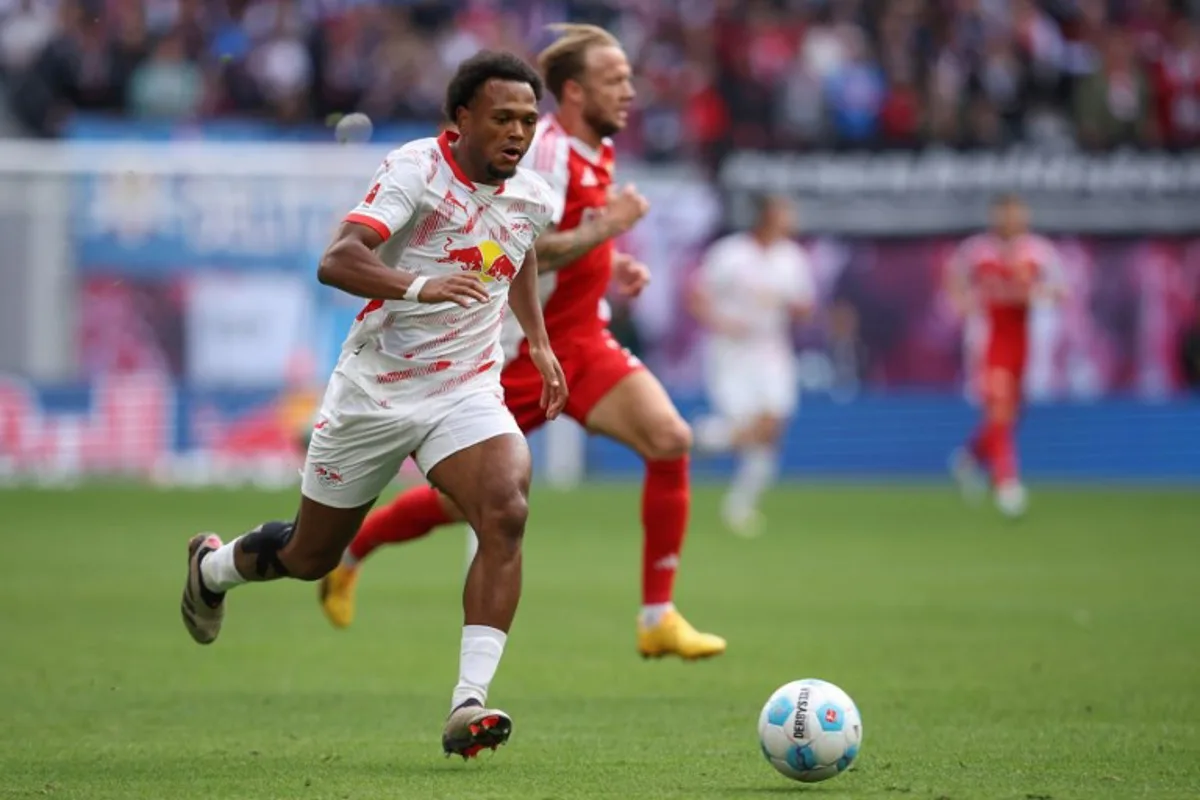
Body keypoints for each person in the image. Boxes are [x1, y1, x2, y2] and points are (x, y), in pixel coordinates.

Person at [179, 51, 568, 760]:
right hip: (376, 391)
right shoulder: (415, 169)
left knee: (506, 509)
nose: (518, 132)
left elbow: (520, 249)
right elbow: (337, 259)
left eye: (528, 120)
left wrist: (538, 342)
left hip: (465, 388)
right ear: (461, 120)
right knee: (310, 556)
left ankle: (467, 705)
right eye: (503, 118)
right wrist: (421, 288)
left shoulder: (533, 197)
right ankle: (213, 568)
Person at [320, 24, 726, 662]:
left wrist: (611, 262)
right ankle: (351, 551)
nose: (630, 91)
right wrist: (608, 231)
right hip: (514, 349)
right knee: (468, 505)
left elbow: (569, 237)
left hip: (580, 341)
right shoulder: (546, 151)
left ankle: (658, 616)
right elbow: (530, 242)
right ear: (573, 91)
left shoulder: (596, 151)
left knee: (670, 439)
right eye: (614, 80)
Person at [688, 194, 816, 537]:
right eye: (784, 212)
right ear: (766, 217)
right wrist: (722, 322)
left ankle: (739, 503)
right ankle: (697, 440)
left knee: (772, 426)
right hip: (731, 354)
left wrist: (794, 307)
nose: (791, 219)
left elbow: (805, 306)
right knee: (748, 428)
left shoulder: (792, 259)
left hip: (772, 351)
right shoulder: (731, 254)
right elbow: (696, 295)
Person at [946, 194, 1064, 518]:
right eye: (1006, 214)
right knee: (999, 408)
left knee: (1012, 413)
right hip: (988, 340)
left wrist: (1034, 294)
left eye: (1017, 213)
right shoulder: (977, 250)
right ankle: (1007, 484)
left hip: (1024, 342)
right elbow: (954, 282)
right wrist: (964, 302)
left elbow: (1059, 292)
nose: (1012, 220)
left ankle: (969, 458)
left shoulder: (1038, 252)